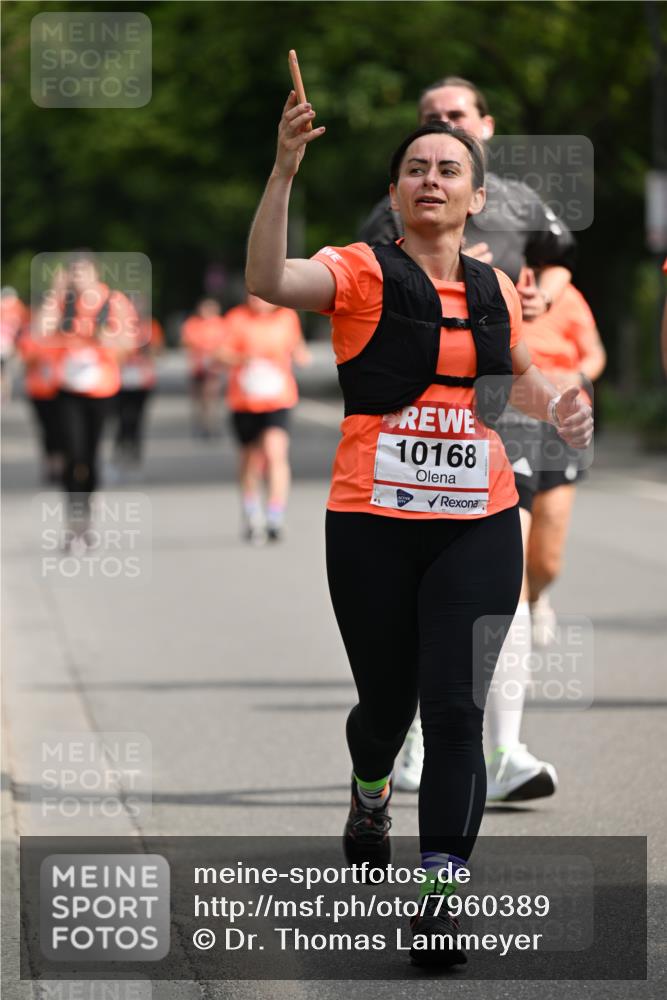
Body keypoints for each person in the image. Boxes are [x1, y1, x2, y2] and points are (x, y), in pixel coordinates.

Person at [245, 92, 592, 965]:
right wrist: (284, 169)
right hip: (369, 522)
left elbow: (517, 373)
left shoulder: (491, 290)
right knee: (386, 708)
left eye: (448, 170)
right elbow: (267, 281)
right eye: (414, 168)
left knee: (453, 711)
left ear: (477, 196)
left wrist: (563, 403)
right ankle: (369, 794)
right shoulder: (358, 270)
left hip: (476, 519)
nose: (430, 179)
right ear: (396, 191)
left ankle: (439, 900)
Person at [360, 76, 577, 797]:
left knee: (510, 581)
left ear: (483, 124)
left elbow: (553, 253)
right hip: (421, 414)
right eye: (430, 119)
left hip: (505, 400)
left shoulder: (517, 200)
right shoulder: (385, 214)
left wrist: (540, 288)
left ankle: (505, 749)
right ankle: (422, 728)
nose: (443, 124)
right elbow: (368, 300)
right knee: (431, 589)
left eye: (455, 115)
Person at [38, 252, 138, 544]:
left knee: (91, 457)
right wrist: (55, 293)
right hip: (67, 389)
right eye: (73, 274)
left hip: (101, 389)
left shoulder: (114, 302)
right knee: (72, 454)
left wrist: (106, 340)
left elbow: (129, 343)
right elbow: (40, 332)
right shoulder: (61, 302)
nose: (78, 279)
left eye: (83, 273)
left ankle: (88, 516)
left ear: (96, 274)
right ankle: (73, 521)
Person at [217, 293, 310, 543]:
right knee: (250, 460)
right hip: (244, 400)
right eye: (251, 294)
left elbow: (297, 346)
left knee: (274, 452)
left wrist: (301, 355)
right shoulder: (236, 318)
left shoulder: (287, 318)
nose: (255, 299)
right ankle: (251, 513)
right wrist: (243, 358)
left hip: (278, 398)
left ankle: (274, 516)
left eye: (261, 294)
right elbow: (220, 354)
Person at [114, 312, 164, 470]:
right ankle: (121, 446)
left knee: (138, 416)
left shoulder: (150, 325)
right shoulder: (117, 326)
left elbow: (158, 350)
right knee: (122, 416)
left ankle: (135, 449)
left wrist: (147, 348)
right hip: (121, 378)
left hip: (143, 379)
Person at [180, 298, 227, 438]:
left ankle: (211, 425)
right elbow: (186, 342)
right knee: (198, 398)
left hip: (214, 366)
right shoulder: (192, 324)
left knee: (211, 396)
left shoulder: (221, 324)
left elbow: (226, 345)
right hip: (197, 365)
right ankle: (199, 423)